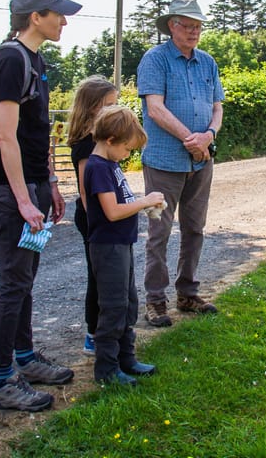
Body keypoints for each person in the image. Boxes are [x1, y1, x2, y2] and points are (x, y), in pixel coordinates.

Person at [0, 0, 80, 411]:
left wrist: (52, 186)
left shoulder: (35, 62)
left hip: (34, 188)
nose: (63, 21)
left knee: (25, 280)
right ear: (34, 17)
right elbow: (6, 139)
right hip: (10, 190)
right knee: (13, 282)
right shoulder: (8, 60)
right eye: (56, 13)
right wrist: (23, 200)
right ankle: (3, 379)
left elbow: (37, 134)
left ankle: (24, 358)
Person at [137, 0, 224, 327]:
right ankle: (155, 301)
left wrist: (208, 137)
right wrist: (192, 138)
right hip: (164, 160)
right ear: (171, 25)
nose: (194, 31)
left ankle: (187, 294)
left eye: (198, 26)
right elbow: (155, 109)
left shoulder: (207, 62)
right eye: (187, 25)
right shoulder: (155, 60)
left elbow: (218, 107)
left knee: (194, 229)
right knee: (159, 232)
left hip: (202, 161)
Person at [83, 105, 165, 385]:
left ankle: (126, 359)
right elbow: (113, 212)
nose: (128, 155)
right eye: (127, 149)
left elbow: (123, 203)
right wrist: (145, 201)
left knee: (128, 302)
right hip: (108, 248)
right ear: (110, 141)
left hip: (121, 244)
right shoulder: (98, 168)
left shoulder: (110, 164)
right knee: (113, 306)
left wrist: (144, 202)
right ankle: (106, 370)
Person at [66, 75, 119, 355]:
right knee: (97, 277)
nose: (114, 110)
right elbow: (87, 191)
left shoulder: (99, 140)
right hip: (95, 220)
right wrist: (99, 225)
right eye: (108, 105)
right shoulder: (86, 144)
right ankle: (93, 333)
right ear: (91, 108)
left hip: (103, 219)